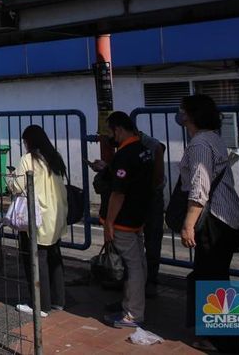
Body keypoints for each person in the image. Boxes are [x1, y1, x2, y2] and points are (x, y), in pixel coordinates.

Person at [177, 95, 239, 354]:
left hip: (214, 220)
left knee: (213, 280)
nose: (179, 114)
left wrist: (188, 224)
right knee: (212, 278)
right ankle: (214, 336)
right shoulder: (213, 138)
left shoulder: (200, 144)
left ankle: (227, 342)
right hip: (226, 217)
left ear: (191, 116)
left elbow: (199, 187)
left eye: (182, 110)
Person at [93, 111, 153, 328]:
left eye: (110, 131)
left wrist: (109, 223)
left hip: (123, 220)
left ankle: (133, 313)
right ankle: (131, 304)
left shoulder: (124, 155)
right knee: (138, 262)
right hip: (137, 216)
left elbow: (118, 193)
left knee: (132, 266)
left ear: (118, 129)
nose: (111, 136)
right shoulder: (144, 151)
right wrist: (107, 169)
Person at [8, 125, 68, 317]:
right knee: (54, 256)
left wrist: (9, 179)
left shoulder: (28, 160)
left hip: (37, 217)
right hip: (56, 214)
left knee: (35, 259)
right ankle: (58, 300)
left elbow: (17, 186)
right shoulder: (54, 157)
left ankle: (41, 305)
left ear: (29, 142)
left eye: (24, 142)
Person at [138, 129, 166, 297]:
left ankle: (150, 281)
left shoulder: (152, 146)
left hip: (150, 197)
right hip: (147, 196)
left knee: (152, 240)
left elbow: (158, 178)